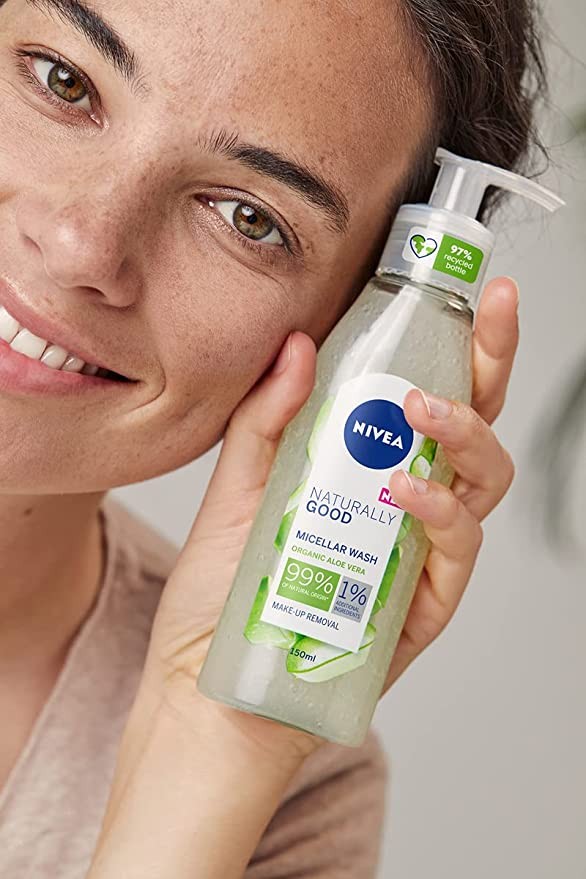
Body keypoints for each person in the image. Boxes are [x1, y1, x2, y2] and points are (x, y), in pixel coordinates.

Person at [0, 0, 544, 875]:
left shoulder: (292, 803)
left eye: (247, 217)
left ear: (345, 334)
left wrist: (208, 742)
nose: (81, 245)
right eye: (62, 82)